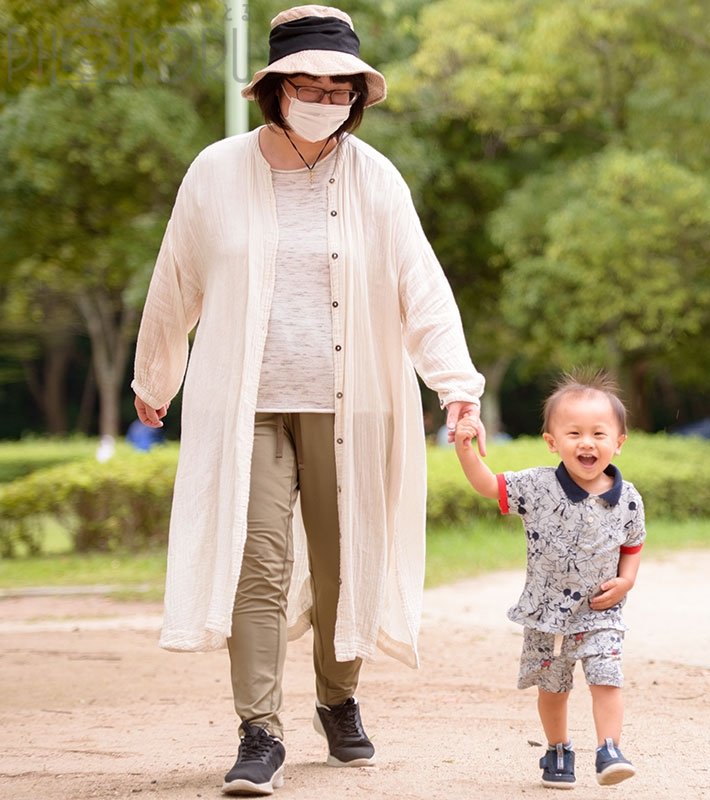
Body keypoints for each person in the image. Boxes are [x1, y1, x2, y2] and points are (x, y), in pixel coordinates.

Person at [129, 5, 484, 795]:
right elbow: (174, 284)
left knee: (342, 563)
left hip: (352, 404)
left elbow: (420, 290)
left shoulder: (376, 179)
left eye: (338, 86)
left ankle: (338, 697)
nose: (324, 97)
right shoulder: (215, 171)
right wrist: (155, 379)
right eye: (308, 82)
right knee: (257, 562)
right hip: (244, 402)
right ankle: (259, 731)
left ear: (357, 96)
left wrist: (457, 389)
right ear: (274, 87)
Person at [453, 370, 644, 788]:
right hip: (547, 616)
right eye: (573, 433)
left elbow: (633, 544)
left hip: (600, 612)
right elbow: (488, 485)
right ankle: (558, 749)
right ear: (552, 441)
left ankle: (609, 748)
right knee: (553, 688)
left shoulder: (628, 498)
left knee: (606, 677)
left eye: (598, 433)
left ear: (618, 441)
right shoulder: (537, 486)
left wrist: (626, 582)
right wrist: (466, 450)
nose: (587, 443)